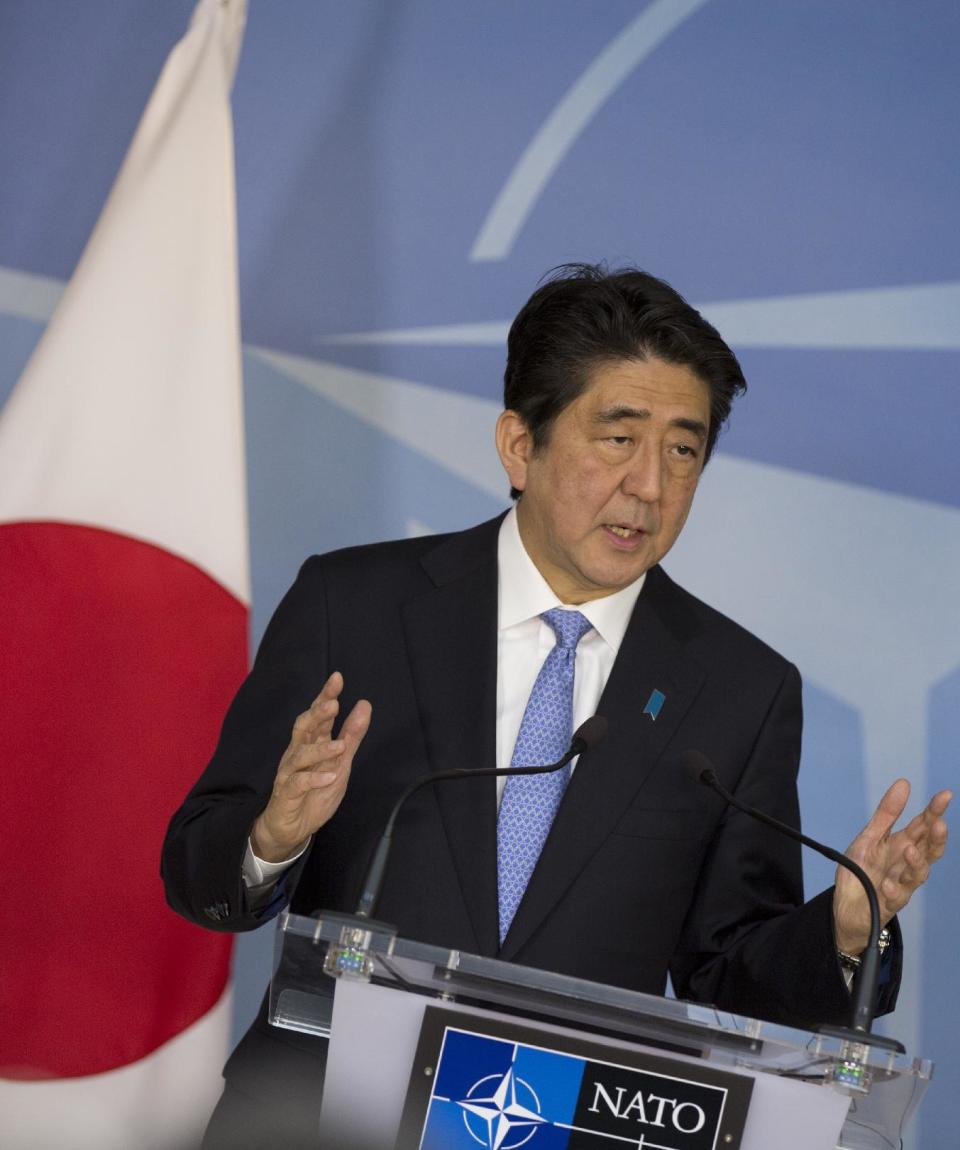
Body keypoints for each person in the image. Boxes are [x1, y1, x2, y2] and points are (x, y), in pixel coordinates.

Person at [162, 264, 950, 1148]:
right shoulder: (357, 606)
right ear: (518, 445)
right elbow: (200, 873)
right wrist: (274, 835)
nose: (650, 486)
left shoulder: (740, 689)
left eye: (683, 450)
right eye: (618, 438)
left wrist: (843, 929)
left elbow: (729, 973)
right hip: (314, 1121)